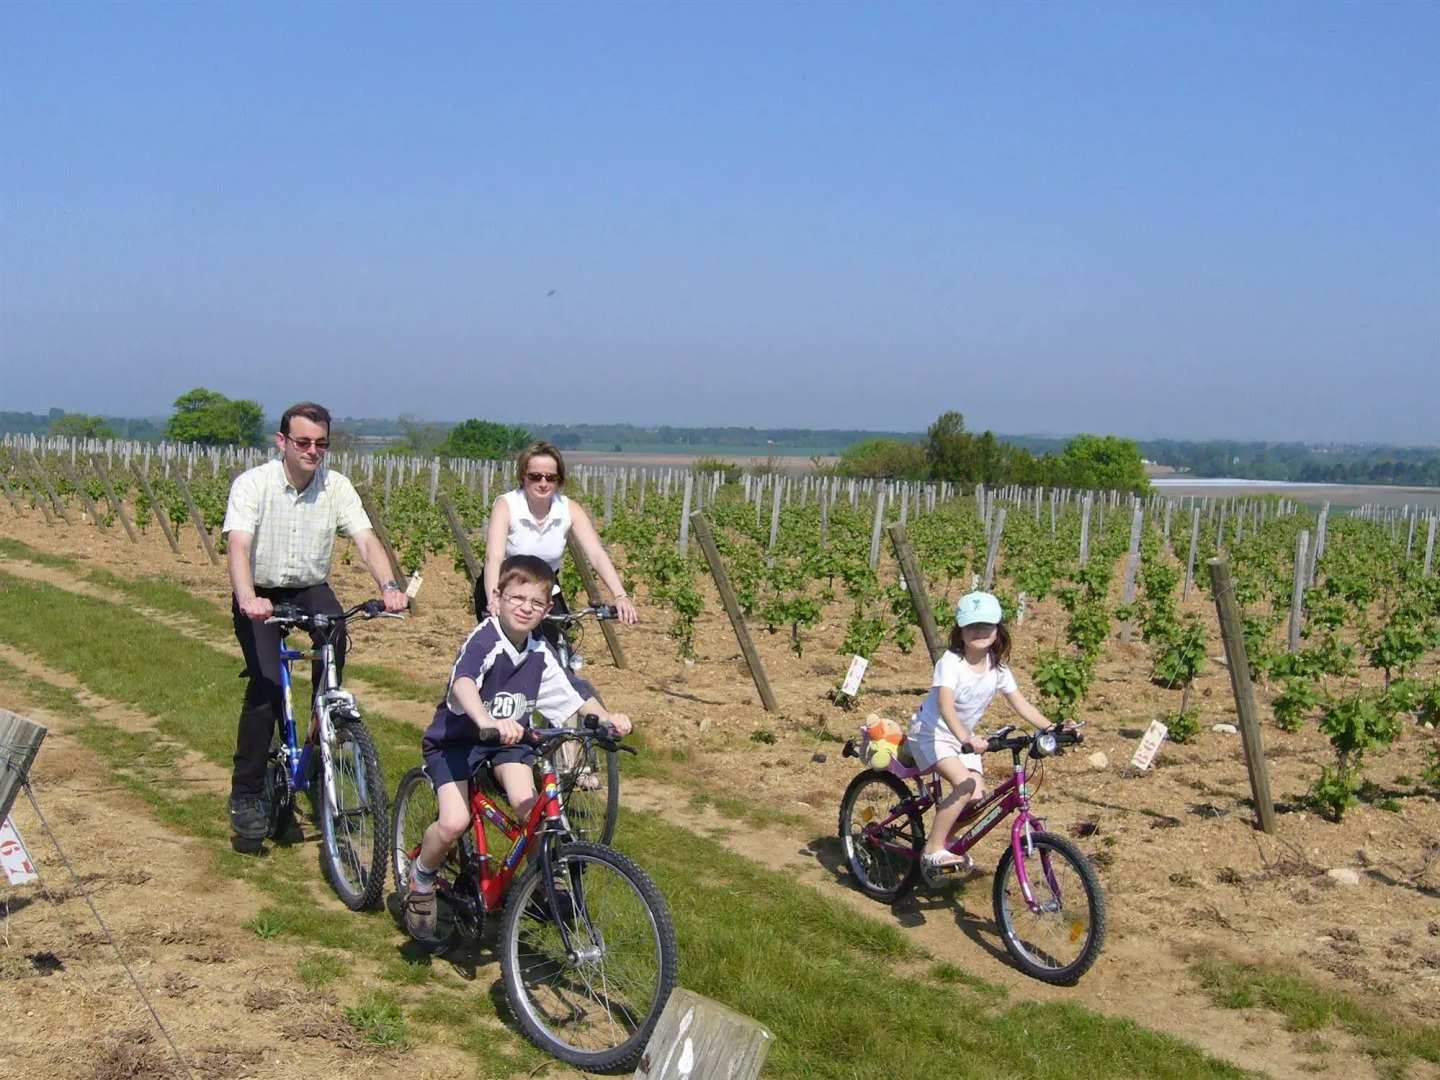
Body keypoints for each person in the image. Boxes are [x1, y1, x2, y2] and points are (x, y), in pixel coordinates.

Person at [404, 554, 632, 940]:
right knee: (454, 821)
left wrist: (606, 720)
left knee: (532, 810)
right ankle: (422, 879)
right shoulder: (485, 639)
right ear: (497, 597)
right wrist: (485, 720)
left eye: (536, 602)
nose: (526, 608)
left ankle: (540, 882)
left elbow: (573, 692)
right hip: (456, 741)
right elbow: (463, 681)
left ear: (547, 610)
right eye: (517, 598)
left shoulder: (539, 650)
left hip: (508, 743)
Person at [222, 402, 409, 843]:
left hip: (309, 586)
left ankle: (321, 727)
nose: (312, 451)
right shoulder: (253, 484)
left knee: (336, 632)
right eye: (303, 442)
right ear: (282, 441)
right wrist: (248, 598)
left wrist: (389, 586)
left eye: (321, 443)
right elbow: (239, 545)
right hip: (261, 591)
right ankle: (247, 793)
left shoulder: (335, 486)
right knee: (266, 685)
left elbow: (366, 540)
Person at [907, 591, 1054, 871]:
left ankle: (943, 838)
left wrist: (1052, 728)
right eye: (972, 625)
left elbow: (1021, 703)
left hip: (964, 738)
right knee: (965, 785)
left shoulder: (997, 668)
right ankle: (933, 849)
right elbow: (946, 706)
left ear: (997, 629)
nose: (979, 631)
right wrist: (967, 738)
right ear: (960, 630)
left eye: (986, 625)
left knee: (977, 799)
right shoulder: (951, 663)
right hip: (932, 733)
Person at [476, 442, 638, 648]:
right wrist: (494, 599)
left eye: (551, 477)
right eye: (535, 476)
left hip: (544, 589)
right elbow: (494, 557)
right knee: (504, 651)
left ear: (559, 480)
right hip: (506, 588)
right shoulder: (507, 505)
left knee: (558, 648)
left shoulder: (568, 508)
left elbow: (596, 554)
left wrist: (620, 595)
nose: (543, 483)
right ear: (523, 476)